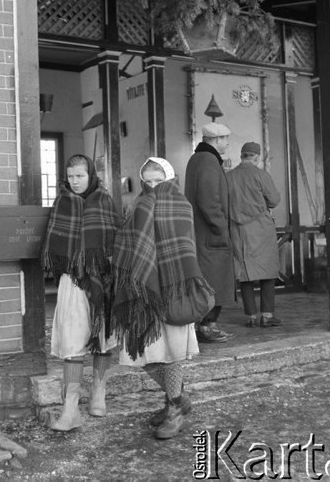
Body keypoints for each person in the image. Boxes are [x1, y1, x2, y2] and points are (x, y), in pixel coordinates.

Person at [112, 157, 214, 440]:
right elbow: (130, 242)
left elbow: (184, 247)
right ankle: (179, 400)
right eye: (148, 181)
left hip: (172, 288)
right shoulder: (138, 206)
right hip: (144, 290)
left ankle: (173, 409)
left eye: (158, 180)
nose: (152, 186)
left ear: (169, 179)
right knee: (145, 353)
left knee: (171, 353)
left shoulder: (180, 205)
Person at [41, 154, 120, 431]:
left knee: (102, 338)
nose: (74, 182)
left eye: (80, 176)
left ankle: (99, 393)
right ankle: (70, 407)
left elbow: (115, 239)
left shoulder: (104, 200)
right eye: (70, 176)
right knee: (73, 339)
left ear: (91, 176)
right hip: (72, 278)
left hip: (102, 278)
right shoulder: (62, 201)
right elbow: (54, 241)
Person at [184, 122, 236, 343]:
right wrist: (221, 227)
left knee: (207, 280)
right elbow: (209, 201)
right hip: (211, 236)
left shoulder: (197, 159)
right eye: (225, 139)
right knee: (214, 281)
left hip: (202, 234)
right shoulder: (208, 161)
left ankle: (203, 325)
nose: (227, 143)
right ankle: (207, 326)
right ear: (216, 139)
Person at [227, 142, 282, 327]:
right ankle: (267, 315)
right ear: (256, 157)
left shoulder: (228, 176)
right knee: (267, 270)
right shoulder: (260, 174)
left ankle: (250, 316)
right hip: (261, 228)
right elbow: (273, 200)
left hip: (238, 230)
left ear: (242, 156)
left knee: (244, 272)